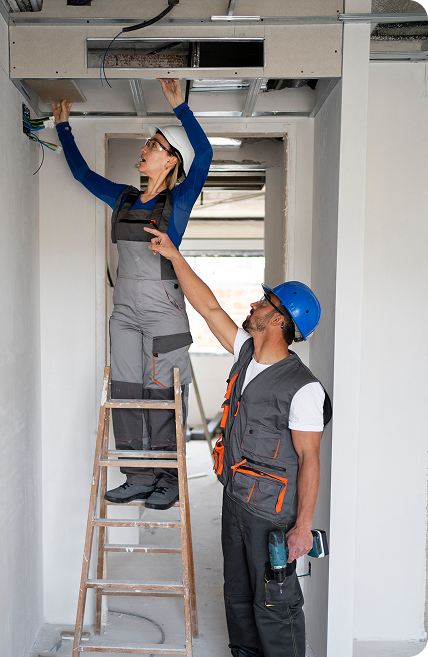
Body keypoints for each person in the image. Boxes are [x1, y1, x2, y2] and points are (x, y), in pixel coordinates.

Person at [142, 225, 332, 657]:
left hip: (273, 514)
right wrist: (174, 256)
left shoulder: (304, 388)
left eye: (264, 302)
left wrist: (302, 526)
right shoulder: (245, 351)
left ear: (279, 320)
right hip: (236, 500)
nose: (254, 303)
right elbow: (208, 308)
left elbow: (310, 458)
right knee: (237, 597)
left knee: (275, 605)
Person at [52, 79, 213, 511]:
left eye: (153, 145)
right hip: (124, 312)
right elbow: (83, 175)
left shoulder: (179, 201)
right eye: (145, 143)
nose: (144, 149)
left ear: (171, 159)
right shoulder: (123, 198)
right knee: (126, 391)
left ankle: (168, 478)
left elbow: (207, 157)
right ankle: (138, 475)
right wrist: (63, 128)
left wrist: (181, 109)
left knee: (161, 396)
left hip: (164, 313)